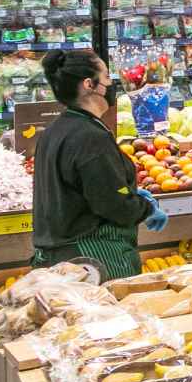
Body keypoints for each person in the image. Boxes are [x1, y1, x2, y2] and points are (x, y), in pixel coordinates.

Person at [31, 50, 164, 280]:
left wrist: (127, 190)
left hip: (56, 261)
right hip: (94, 263)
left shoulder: (54, 131)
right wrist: (145, 207)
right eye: (107, 77)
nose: (112, 84)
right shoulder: (91, 137)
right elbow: (113, 204)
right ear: (89, 84)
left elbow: (80, 188)